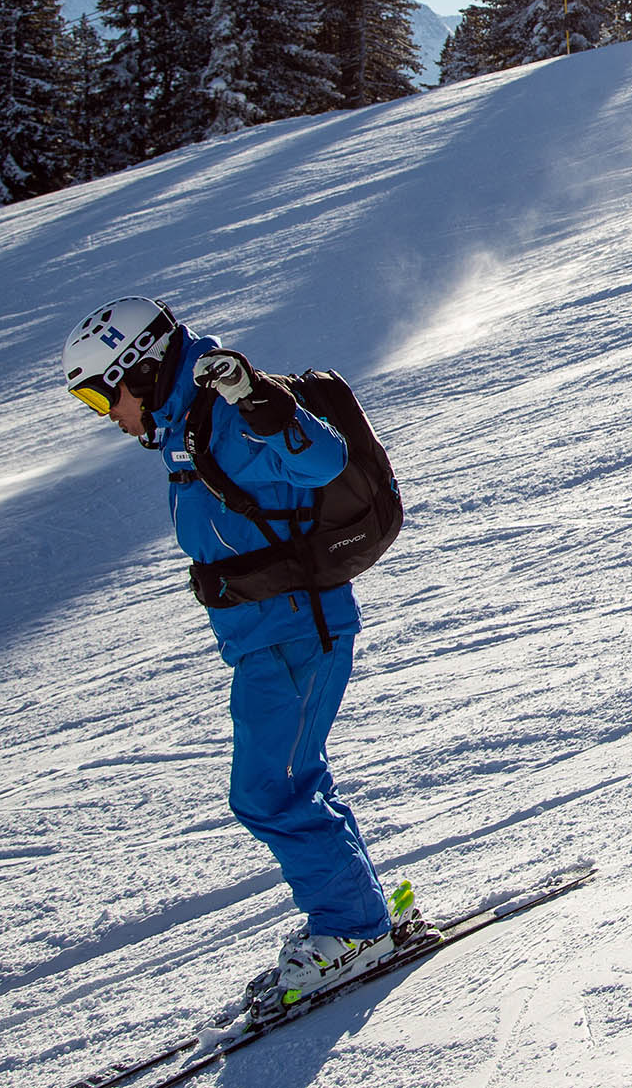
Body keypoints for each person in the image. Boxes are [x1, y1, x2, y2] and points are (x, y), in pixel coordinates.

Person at [61, 297, 406, 1006]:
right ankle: (361, 913)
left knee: (269, 790)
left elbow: (320, 459)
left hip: (292, 633)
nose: (106, 413)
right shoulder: (184, 421)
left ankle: (355, 928)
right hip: (266, 636)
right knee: (291, 779)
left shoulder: (228, 403)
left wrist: (259, 399)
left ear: (141, 370)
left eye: (102, 394)